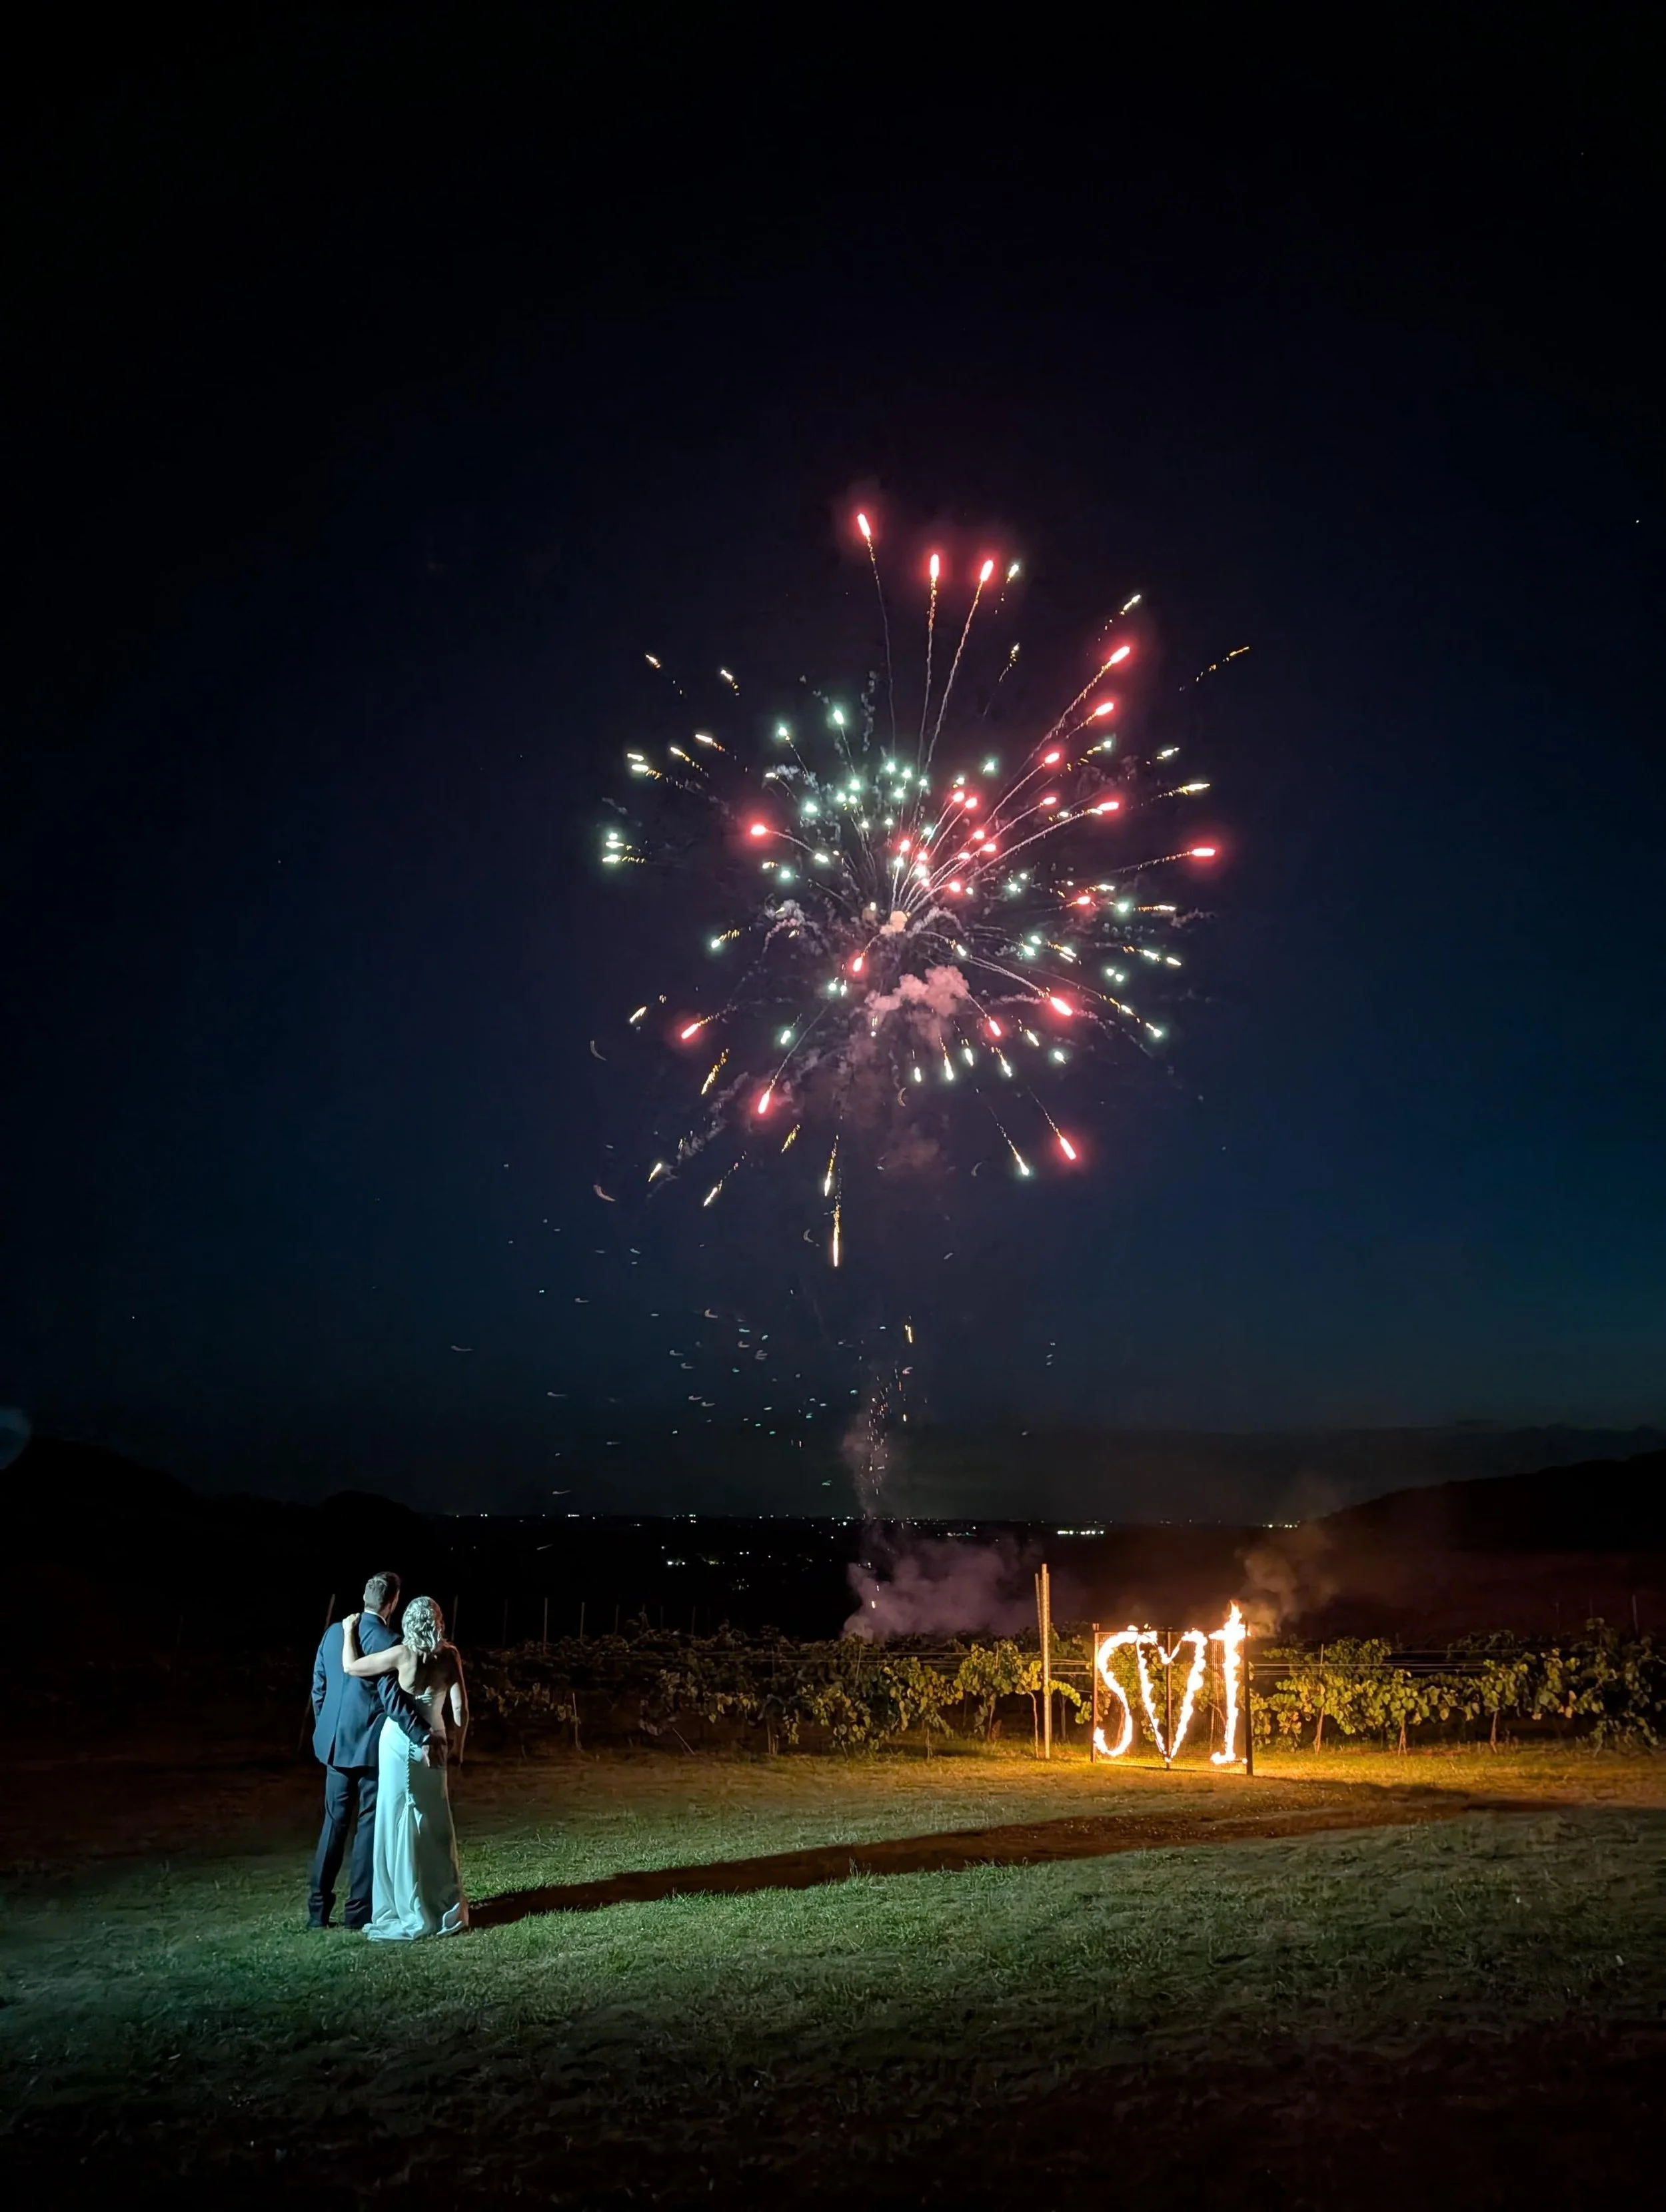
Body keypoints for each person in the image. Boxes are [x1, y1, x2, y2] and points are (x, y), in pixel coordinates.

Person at [307, 1570, 432, 1930]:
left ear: (365, 1598)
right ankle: (357, 1911)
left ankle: (318, 1911)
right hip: (367, 1748)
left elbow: (319, 1684)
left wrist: (326, 1725)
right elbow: (392, 1699)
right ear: (392, 1602)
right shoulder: (390, 1640)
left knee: (332, 1827)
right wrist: (422, 1734)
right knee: (367, 1829)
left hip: (334, 1746)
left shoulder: (334, 1632)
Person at [341, 1592, 469, 1939]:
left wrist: (349, 1631)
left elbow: (351, 1667)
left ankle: (405, 1901)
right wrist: (458, 1747)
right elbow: (460, 1711)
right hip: (437, 1741)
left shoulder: (401, 1654)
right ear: (438, 1622)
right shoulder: (451, 1656)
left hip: (400, 1742)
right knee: (434, 1817)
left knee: (399, 1816)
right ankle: (440, 1899)